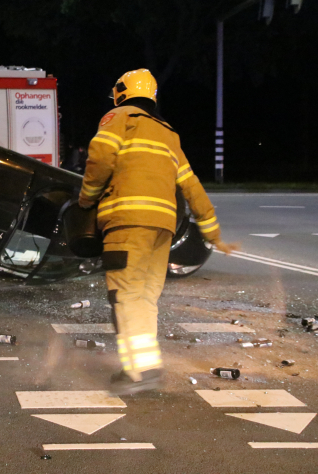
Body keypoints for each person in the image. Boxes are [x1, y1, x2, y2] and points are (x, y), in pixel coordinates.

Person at [78, 68, 239, 395]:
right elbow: (192, 186)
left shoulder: (119, 116)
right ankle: (140, 367)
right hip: (162, 229)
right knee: (145, 299)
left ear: (122, 92)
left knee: (125, 296)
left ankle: (142, 373)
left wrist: (86, 198)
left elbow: (100, 158)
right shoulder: (168, 132)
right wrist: (213, 233)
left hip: (127, 222)